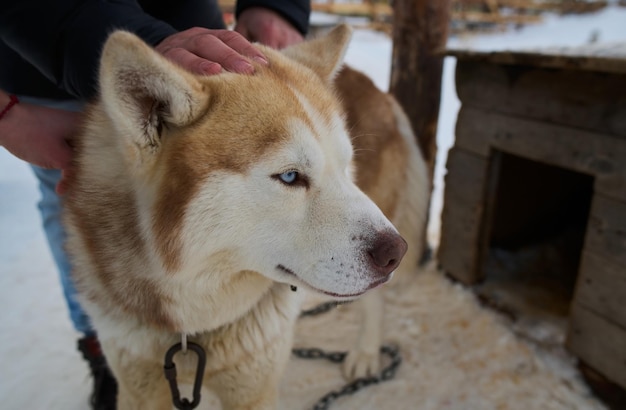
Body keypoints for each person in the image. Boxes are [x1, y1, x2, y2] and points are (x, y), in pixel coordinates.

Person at [0, 1, 310, 409]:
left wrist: (277, 6)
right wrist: (6, 115)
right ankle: (102, 345)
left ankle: (236, 335)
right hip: (39, 66)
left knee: (242, 200)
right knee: (70, 202)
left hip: (199, 53)